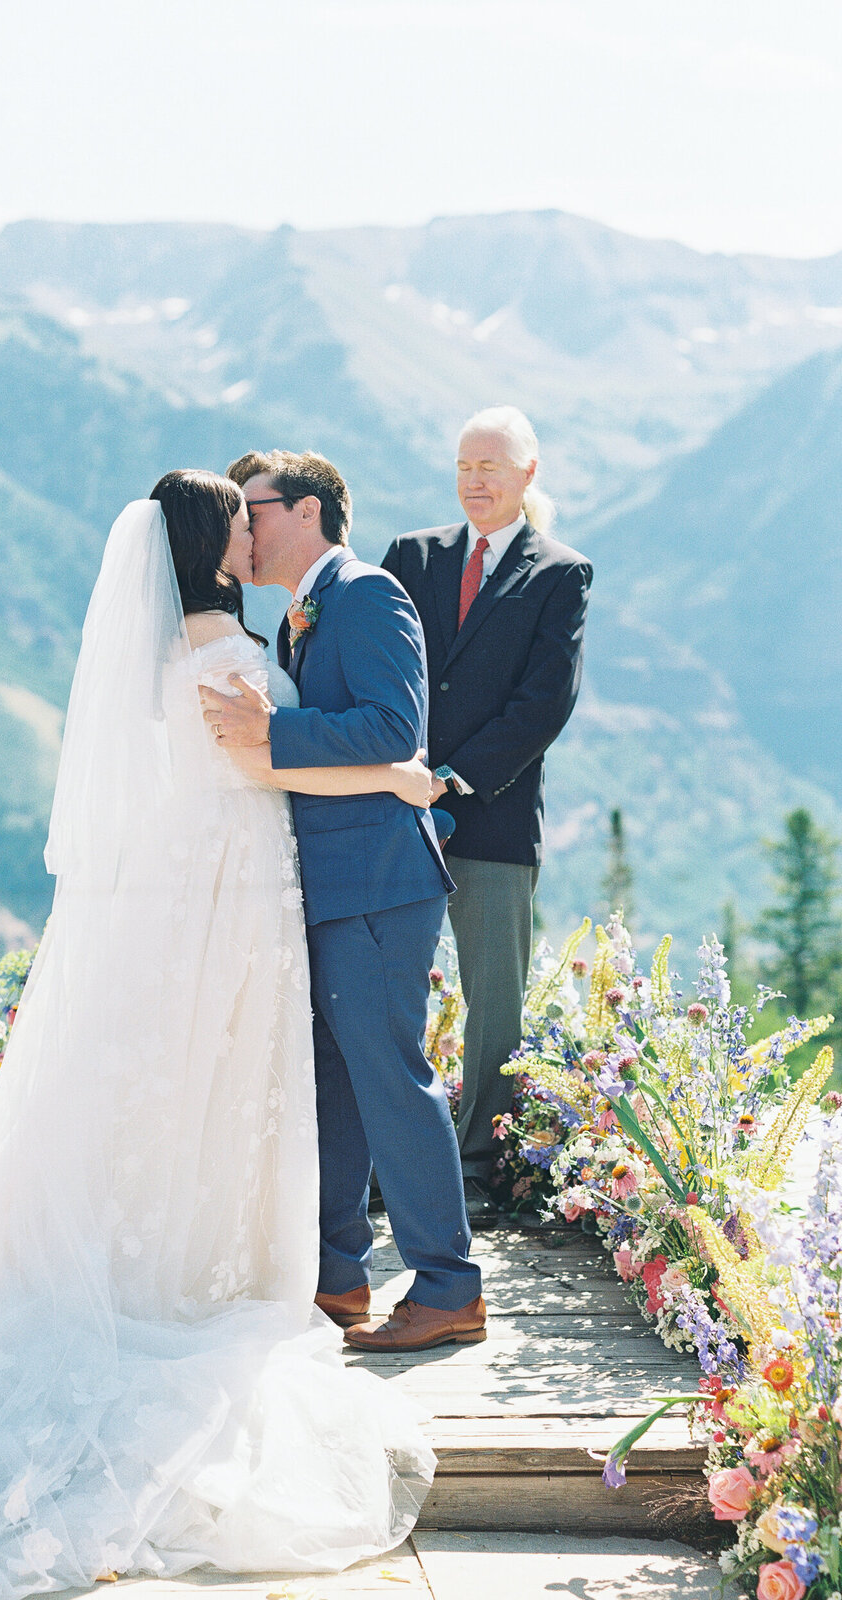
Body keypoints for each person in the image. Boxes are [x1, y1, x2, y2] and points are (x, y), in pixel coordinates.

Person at [0, 470, 439, 1599]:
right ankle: (208, 1275)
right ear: (210, 544)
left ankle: (167, 1259)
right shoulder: (226, 658)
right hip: (236, 899)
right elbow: (260, 760)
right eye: (238, 520)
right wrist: (402, 774)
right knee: (227, 1084)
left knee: (173, 1084)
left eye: (263, 515)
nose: (253, 531)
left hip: (182, 895)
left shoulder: (169, 653)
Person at [203, 450, 483, 1355]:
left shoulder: (367, 594)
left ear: (311, 511)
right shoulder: (293, 619)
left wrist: (272, 731)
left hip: (375, 884)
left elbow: (396, 727)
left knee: (392, 1078)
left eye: (254, 509)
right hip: (325, 885)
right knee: (335, 1082)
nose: (242, 528)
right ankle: (338, 1275)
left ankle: (448, 1286)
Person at [382, 408, 592, 1226]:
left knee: (493, 1005)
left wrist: (452, 780)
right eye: (465, 464)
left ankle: (480, 1171)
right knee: (384, 990)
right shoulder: (412, 556)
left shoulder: (560, 572)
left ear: (529, 472)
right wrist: (400, 775)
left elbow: (544, 705)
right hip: (393, 809)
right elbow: (390, 668)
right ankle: (388, 1159)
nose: (476, 479)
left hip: (493, 819)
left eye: (493, 466)